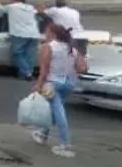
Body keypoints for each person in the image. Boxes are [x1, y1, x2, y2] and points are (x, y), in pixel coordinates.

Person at [31, 22, 86, 158]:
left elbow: (44, 69)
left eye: (47, 32)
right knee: (54, 109)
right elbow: (82, 68)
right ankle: (43, 133)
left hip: (52, 84)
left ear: (53, 34)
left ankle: (65, 143)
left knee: (58, 111)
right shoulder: (72, 48)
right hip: (69, 83)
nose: (45, 34)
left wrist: (38, 84)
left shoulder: (47, 47)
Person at [1, 0, 42, 80]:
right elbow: (37, 12)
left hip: (19, 33)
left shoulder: (12, 7)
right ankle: (27, 73)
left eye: (11, 0)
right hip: (34, 34)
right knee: (29, 55)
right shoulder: (30, 7)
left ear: (15, 0)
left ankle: (27, 72)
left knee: (16, 54)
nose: (9, 1)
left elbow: (1, 9)